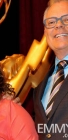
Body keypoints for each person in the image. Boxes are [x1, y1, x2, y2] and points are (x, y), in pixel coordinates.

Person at [33, 0, 68, 139]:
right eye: (51, 22)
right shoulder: (39, 87)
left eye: (66, 19)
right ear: (45, 32)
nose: (58, 25)